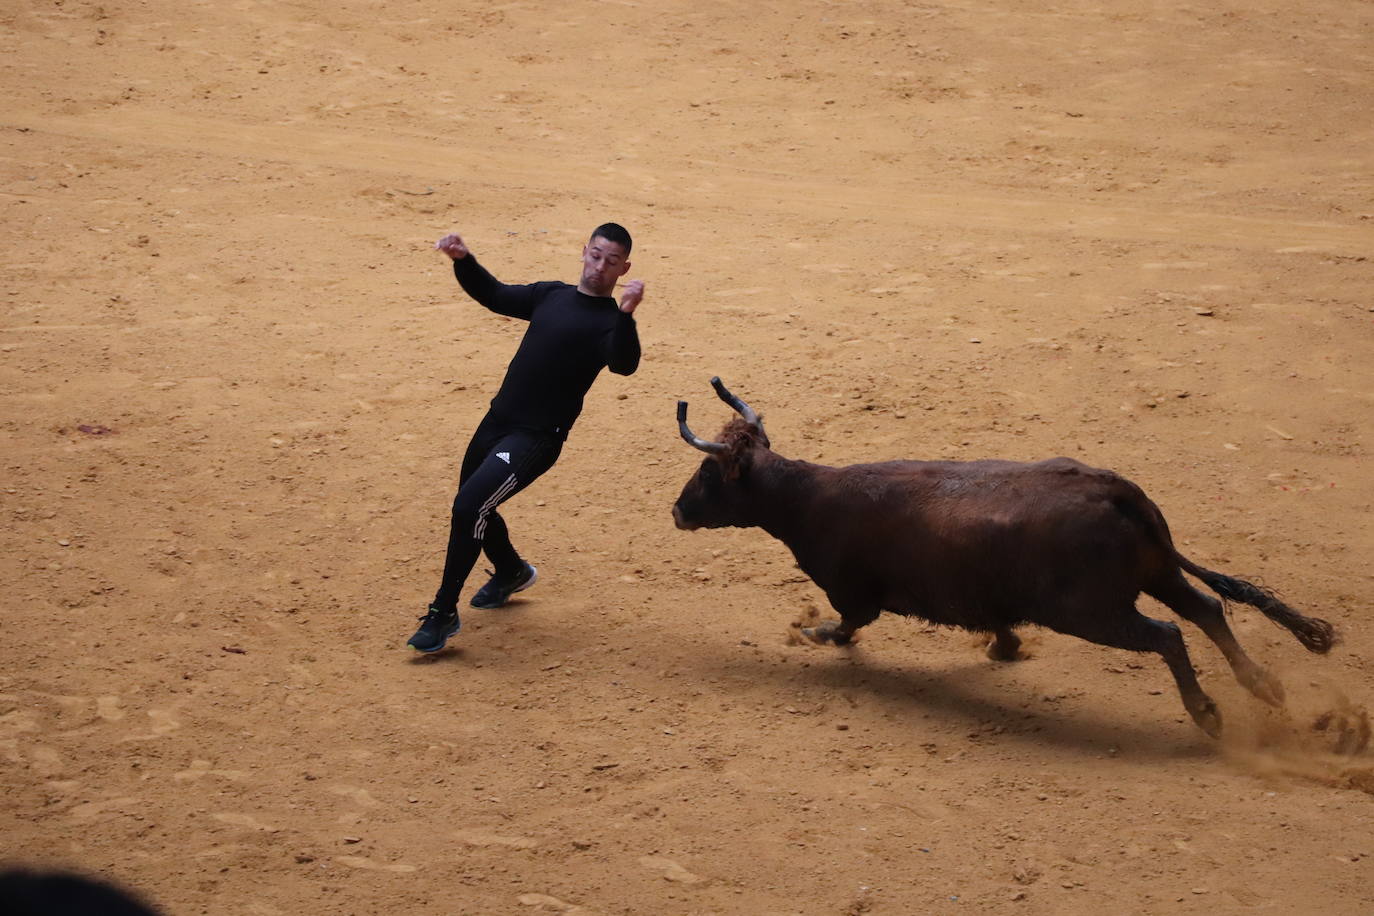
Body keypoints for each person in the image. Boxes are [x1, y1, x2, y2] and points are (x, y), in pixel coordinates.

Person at [408, 223, 644, 652]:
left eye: (611, 262)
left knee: (469, 505)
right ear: (584, 251)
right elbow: (495, 295)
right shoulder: (550, 295)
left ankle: (443, 612)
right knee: (473, 505)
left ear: (623, 268)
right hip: (497, 422)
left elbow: (623, 365)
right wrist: (465, 261)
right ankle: (511, 571)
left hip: (535, 438)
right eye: (595, 255)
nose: (600, 267)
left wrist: (627, 315)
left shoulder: (611, 323)